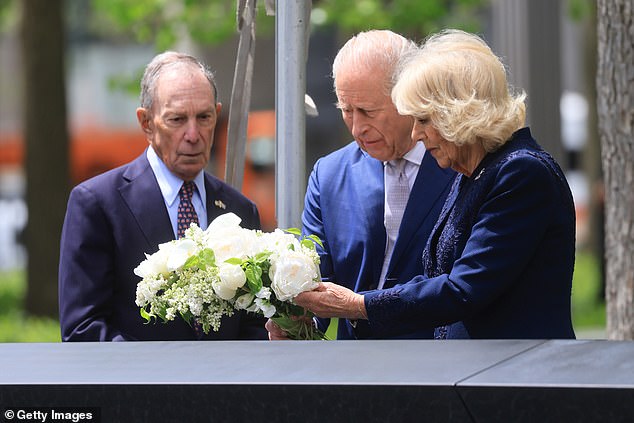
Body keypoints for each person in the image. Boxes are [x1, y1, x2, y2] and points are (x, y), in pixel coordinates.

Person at [286, 29, 577, 340]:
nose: (416, 134)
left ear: (462, 111)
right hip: (471, 366)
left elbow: (464, 288)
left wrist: (359, 305)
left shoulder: (520, 172)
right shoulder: (473, 172)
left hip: (518, 366)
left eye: (423, 119)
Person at [59, 51, 266, 341]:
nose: (193, 135)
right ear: (146, 122)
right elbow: (83, 330)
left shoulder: (240, 210)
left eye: (204, 117)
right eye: (177, 119)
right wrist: (157, 366)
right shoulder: (97, 204)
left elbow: (254, 325)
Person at [267, 30, 455, 340]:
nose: (357, 128)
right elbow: (315, 278)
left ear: (410, 97)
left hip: (444, 357)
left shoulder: (459, 164)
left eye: (368, 112)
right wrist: (296, 322)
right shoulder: (329, 175)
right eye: (346, 111)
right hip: (354, 361)